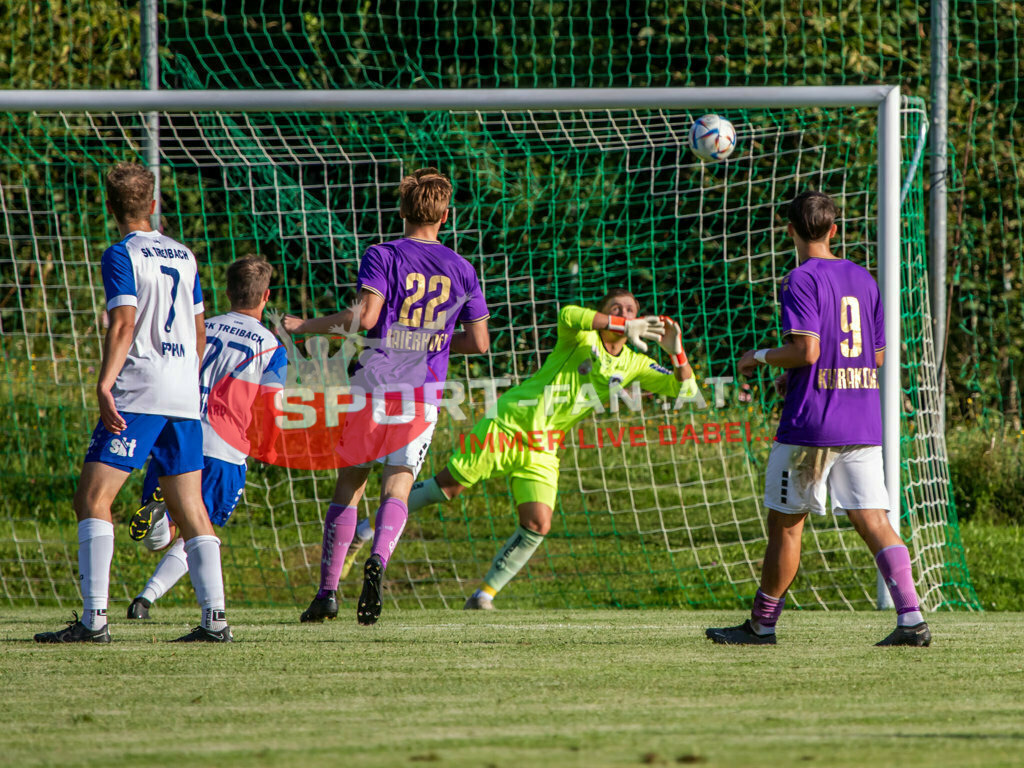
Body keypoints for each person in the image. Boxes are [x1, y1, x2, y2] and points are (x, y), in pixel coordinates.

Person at [377, 288, 699, 610]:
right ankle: (368, 529)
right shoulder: (580, 339)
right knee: (447, 488)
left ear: (640, 320)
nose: (624, 314)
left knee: (537, 523)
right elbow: (568, 314)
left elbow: (686, 390)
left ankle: (483, 596)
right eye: (616, 308)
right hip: (509, 423)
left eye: (631, 310)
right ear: (604, 315)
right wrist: (620, 324)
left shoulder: (635, 363)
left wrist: (676, 350)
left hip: (544, 446)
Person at [705, 190, 930, 647]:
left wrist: (760, 356)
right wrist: (801, 374)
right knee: (876, 521)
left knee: (787, 527)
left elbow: (806, 351)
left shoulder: (799, 280)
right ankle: (912, 620)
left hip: (812, 427)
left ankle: (761, 626)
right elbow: (878, 356)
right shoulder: (865, 279)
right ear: (834, 229)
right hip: (862, 419)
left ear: (788, 230)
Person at [34, 162, 231, 643]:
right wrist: (184, 378)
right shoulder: (185, 256)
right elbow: (201, 332)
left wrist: (106, 383)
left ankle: (93, 620)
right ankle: (215, 621)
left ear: (110, 208)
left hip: (142, 388)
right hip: (184, 391)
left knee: (93, 498)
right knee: (190, 509)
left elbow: (124, 321)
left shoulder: (122, 253)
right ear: (154, 206)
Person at [285, 167, 490, 625]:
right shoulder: (462, 268)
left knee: (350, 481)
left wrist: (306, 326)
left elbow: (366, 317)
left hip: (375, 382)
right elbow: (479, 342)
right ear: (446, 216)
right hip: (422, 393)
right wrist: (433, 340)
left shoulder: (383, 254)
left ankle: (328, 593)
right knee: (397, 482)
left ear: (401, 210)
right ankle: (377, 559)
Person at [125, 256, 287, 619]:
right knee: (200, 532)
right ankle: (172, 602)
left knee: (168, 532)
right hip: (223, 447)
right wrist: (271, 443)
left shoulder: (201, 328)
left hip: (178, 434)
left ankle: (145, 595)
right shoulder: (271, 346)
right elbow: (271, 405)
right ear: (267, 296)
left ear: (227, 292)